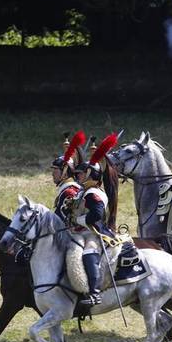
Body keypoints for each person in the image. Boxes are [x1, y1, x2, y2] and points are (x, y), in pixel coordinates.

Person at [67, 132, 118, 306]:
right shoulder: (83, 191)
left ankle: (94, 293)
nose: (78, 176)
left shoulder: (93, 193)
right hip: (81, 231)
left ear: (90, 174)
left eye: (81, 174)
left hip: (94, 233)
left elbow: (96, 215)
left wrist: (78, 221)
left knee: (88, 253)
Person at [51, 131, 85, 223]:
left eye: (56, 170)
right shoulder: (66, 189)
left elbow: (59, 221)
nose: (52, 174)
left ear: (65, 173)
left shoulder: (69, 192)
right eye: (52, 170)